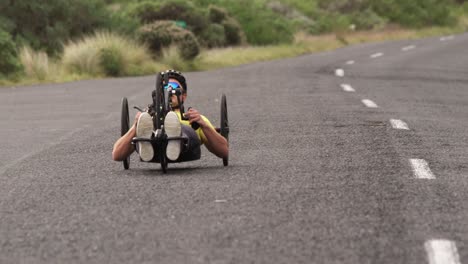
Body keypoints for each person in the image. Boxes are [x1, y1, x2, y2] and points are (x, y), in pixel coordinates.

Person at [112, 70, 228, 164]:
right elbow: (117, 155)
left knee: (183, 129)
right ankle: (147, 141)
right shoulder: (147, 118)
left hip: (185, 142)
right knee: (146, 126)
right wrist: (135, 126)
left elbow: (224, 151)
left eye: (173, 87)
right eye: (165, 87)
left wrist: (204, 125)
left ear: (183, 96)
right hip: (153, 137)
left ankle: (175, 138)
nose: (169, 91)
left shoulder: (193, 117)